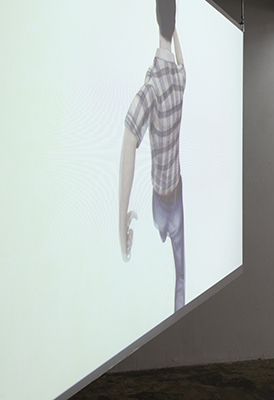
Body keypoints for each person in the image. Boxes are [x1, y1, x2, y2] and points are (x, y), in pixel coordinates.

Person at [119, 0, 186, 312]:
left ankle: (161, 233)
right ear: (173, 23)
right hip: (177, 198)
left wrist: (121, 224)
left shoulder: (152, 88)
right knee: (180, 274)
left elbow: (129, 137)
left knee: (162, 232)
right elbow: (181, 62)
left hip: (160, 204)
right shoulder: (180, 79)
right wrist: (172, 30)